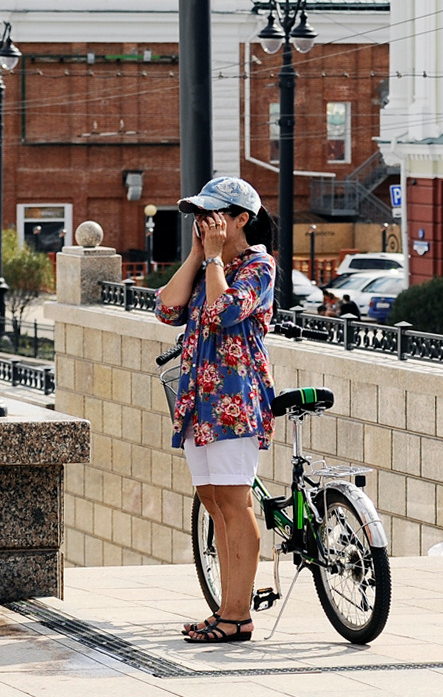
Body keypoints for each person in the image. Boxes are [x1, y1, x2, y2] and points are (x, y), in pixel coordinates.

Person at [154, 177, 278, 644]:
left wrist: (212, 258)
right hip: (196, 401)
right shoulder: (207, 263)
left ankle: (238, 615)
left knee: (234, 501)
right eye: (199, 215)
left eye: (214, 214)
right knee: (212, 502)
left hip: (234, 401)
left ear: (241, 218)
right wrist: (197, 255)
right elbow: (167, 309)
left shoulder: (257, 266)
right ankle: (227, 608)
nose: (204, 222)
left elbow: (225, 310)